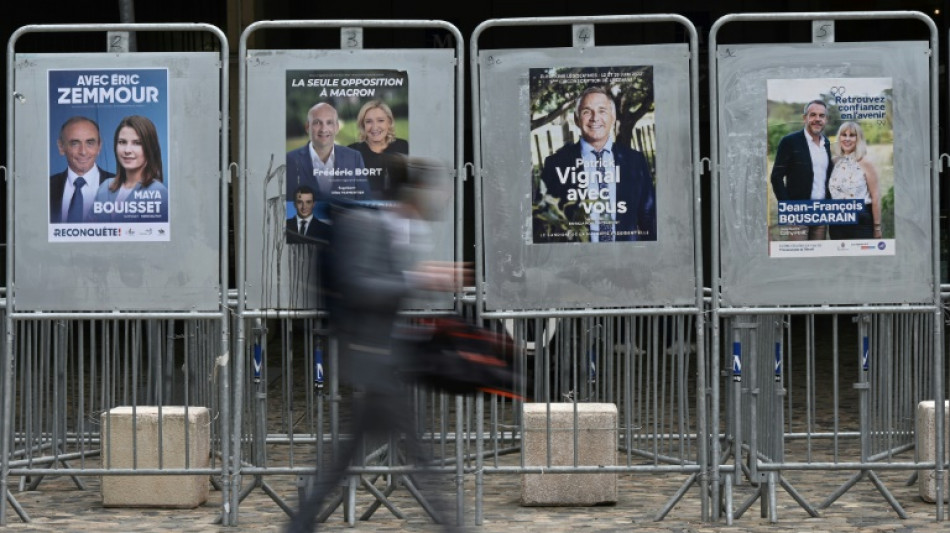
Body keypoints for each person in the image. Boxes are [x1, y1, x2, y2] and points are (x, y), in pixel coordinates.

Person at [286, 155, 462, 533]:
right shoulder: (369, 226)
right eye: (433, 190)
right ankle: (453, 526)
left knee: (347, 459)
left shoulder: (398, 228)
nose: (439, 198)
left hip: (382, 363)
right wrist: (418, 279)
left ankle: (300, 524)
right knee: (416, 455)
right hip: (372, 361)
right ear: (414, 193)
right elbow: (360, 287)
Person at [535, 86, 656, 243]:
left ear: (613, 117)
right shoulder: (556, 164)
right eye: (587, 111)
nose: (595, 118)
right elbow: (542, 221)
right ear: (577, 120)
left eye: (602, 111)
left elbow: (649, 217)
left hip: (626, 259)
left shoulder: (635, 162)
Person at [770, 99, 833, 240]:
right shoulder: (790, 142)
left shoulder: (826, 143)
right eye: (813, 115)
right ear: (805, 118)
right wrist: (788, 208)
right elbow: (776, 177)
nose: (817, 119)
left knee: (818, 255)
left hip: (821, 212)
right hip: (798, 212)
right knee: (798, 256)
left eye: (821, 116)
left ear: (826, 120)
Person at [285, 102, 371, 204]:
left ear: (337, 127)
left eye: (329, 122)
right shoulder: (289, 160)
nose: (323, 129)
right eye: (317, 122)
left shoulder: (354, 158)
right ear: (308, 127)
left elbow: (365, 201)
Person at [92, 115, 168, 222]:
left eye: (137, 143)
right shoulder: (105, 187)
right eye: (122, 142)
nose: (127, 150)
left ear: (149, 148)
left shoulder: (158, 192)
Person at [49, 116, 115, 223]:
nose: (83, 152)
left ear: (99, 147)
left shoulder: (122, 186)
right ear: (61, 147)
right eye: (75, 143)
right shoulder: (46, 188)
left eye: (90, 143)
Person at [827, 121, 882, 240]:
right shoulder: (834, 162)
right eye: (844, 135)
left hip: (860, 221)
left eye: (852, 135)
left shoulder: (865, 162)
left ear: (858, 139)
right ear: (839, 137)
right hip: (837, 221)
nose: (847, 139)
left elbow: (876, 197)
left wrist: (877, 227)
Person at [347, 99, 409, 193]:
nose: (375, 127)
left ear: (389, 122)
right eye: (368, 121)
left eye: (380, 120)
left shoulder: (403, 146)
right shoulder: (351, 151)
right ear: (363, 125)